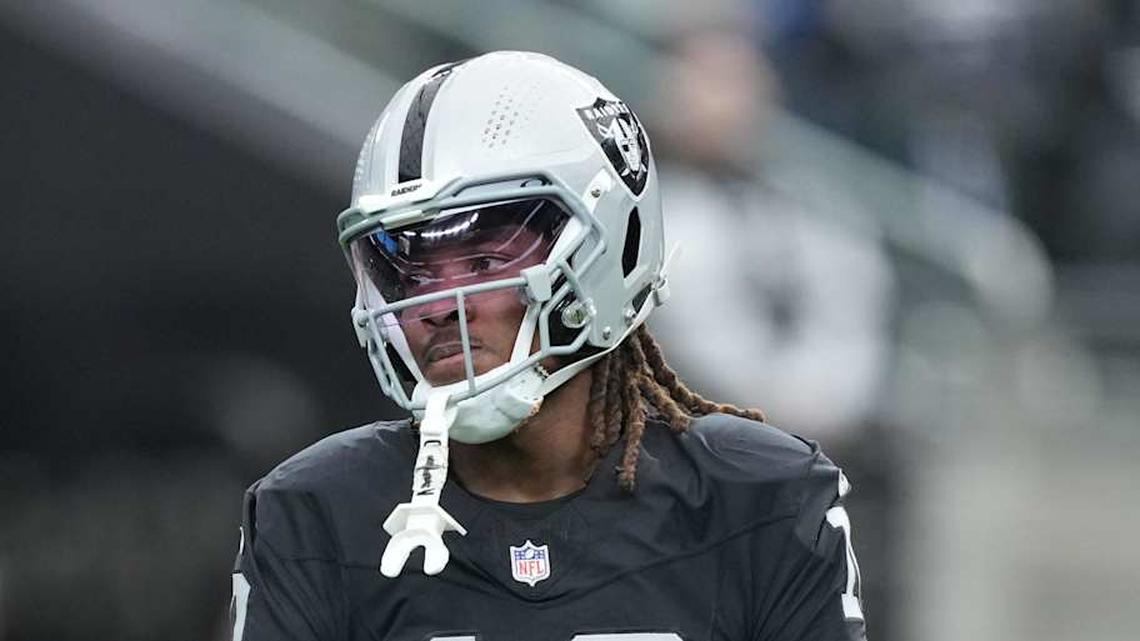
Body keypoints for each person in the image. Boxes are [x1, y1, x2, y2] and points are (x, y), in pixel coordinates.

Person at [230, 51, 867, 641]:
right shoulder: (314, 514)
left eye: (483, 259)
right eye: (411, 271)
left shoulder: (760, 499)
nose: (432, 306)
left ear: (607, 249)